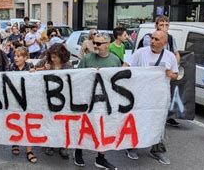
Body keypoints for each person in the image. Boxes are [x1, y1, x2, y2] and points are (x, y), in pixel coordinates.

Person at [124, 30, 178, 165]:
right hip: (140, 95)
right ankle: (131, 147)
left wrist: (170, 74)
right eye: (152, 38)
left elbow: (176, 74)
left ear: (164, 43)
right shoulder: (140, 52)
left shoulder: (170, 56)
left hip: (159, 98)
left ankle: (157, 150)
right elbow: (126, 66)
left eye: (157, 39)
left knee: (158, 123)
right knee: (138, 121)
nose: (153, 41)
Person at [74, 33, 120, 169]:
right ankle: (78, 152)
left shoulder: (115, 60)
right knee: (83, 127)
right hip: (87, 100)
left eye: (98, 44)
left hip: (106, 103)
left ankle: (101, 158)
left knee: (103, 129)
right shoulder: (87, 59)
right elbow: (77, 77)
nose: (94, 46)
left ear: (107, 44)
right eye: (94, 42)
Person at [142, 16, 181, 127]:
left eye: (166, 25)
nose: (164, 27)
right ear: (156, 26)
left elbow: (176, 53)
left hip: (164, 76)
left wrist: (174, 65)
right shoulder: (149, 38)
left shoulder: (171, 38)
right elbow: (151, 53)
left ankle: (162, 122)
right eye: (161, 25)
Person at [36, 44, 71, 159]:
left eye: (55, 57)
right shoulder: (45, 62)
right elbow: (32, 70)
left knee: (62, 123)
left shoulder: (68, 66)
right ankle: (49, 144)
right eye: (51, 56)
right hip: (47, 98)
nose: (53, 59)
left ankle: (62, 146)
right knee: (49, 121)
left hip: (63, 100)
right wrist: (42, 69)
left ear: (62, 56)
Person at [9, 46, 37, 163]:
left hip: (28, 100)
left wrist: (35, 73)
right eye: (15, 56)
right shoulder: (11, 67)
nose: (16, 58)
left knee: (27, 123)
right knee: (15, 122)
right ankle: (15, 143)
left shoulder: (30, 67)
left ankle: (29, 150)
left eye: (19, 56)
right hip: (14, 100)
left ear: (25, 58)